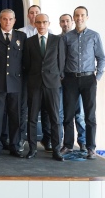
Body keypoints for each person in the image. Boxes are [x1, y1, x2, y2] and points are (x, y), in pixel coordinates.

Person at [62, 6, 105, 159]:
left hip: (88, 79)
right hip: (70, 79)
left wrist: (97, 77)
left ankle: (91, 147)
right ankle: (67, 145)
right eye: (77, 15)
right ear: (73, 18)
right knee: (68, 114)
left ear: (87, 17)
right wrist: (62, 76)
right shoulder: (67, 37)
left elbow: (101, 57)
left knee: (90, 116)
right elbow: (62, 59)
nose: (79, 18)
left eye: (82, 15)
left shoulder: (94, 36)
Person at [23, 14, 64, 161]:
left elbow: (61, 62)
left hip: (52, 84)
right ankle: (32, 149)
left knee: (55, 118)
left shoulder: (57, 40)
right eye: (38, 22)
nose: (41, 25)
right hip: (34, 84)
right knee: (32, 118)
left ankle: (56, 150)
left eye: (44, 22)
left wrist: (57, 77)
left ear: (49, 23)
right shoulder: (29, 42)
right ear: (34, 23)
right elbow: (26, 64)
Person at [0, 9, 26, 158]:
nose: (7, 22)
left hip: (16, 83)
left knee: (15, 116)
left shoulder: (21, 37)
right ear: (0, 20)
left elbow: (26, 60)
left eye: (10, 19)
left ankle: (15, 146)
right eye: (4, 19)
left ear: (15, 20)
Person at [58, 13, 86, 151]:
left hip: (77, 81)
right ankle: (65, 143)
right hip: (61, 82)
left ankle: (83, 142)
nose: (65, 24)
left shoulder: (79, 38)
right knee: (62, 113)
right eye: (62, 21)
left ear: (72, 22)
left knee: (79, 113)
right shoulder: (57, 39)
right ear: (59, 24)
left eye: (67, 21)